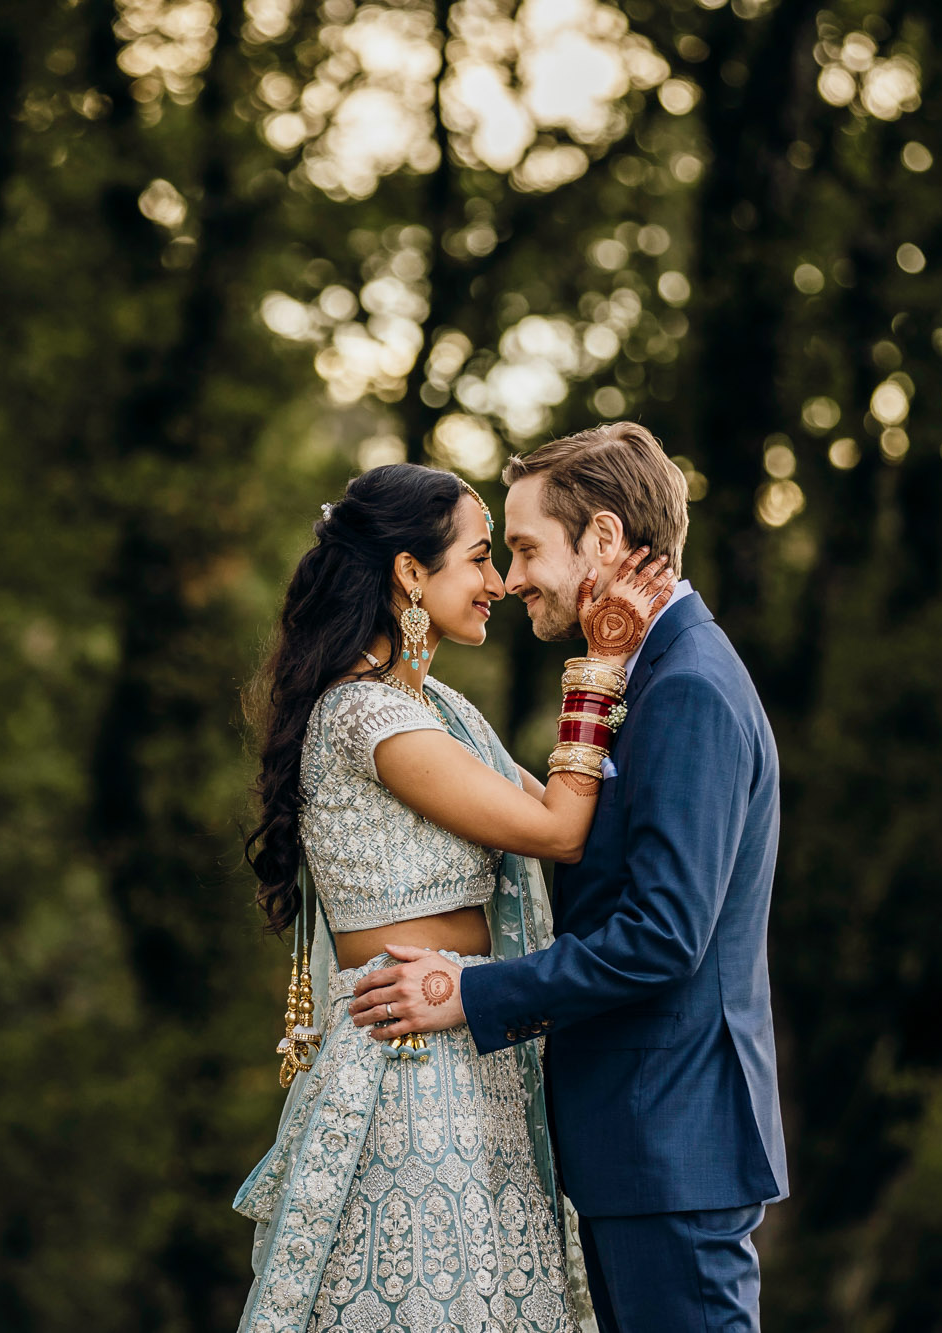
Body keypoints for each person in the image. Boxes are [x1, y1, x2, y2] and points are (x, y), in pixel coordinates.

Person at [350, 423, 788, 1333]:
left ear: (600, 538)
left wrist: (470, 993)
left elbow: (664, 937)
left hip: (671, 1140)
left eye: (522, 548)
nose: (511, 580)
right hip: (638, 1143)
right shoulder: (650, 673)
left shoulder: (689, 689)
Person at [233, 461, 673, 1333]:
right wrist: (604, 662)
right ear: (409, 572)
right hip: (408, 1068)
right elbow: (557, 832)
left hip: (473, 1052)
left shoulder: (436, 711)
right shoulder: (370, 718)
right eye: (479, 558)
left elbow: (552, 810)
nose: (499, 584)